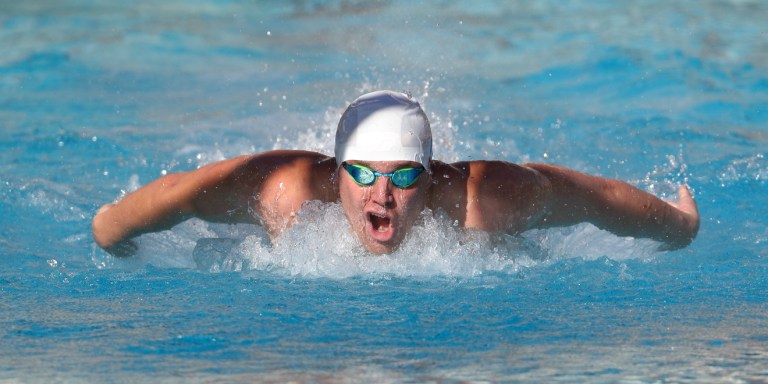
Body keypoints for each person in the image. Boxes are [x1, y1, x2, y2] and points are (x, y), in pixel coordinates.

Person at [92, 90, 699, 257]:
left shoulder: (486, 199)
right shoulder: (284, 192)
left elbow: (594, 197)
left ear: (432, 177)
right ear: (335, 175)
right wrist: (109, 234)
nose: (382, 194)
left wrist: (678, 226)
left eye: (405, 177)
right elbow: (177, 195)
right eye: (364, 175)